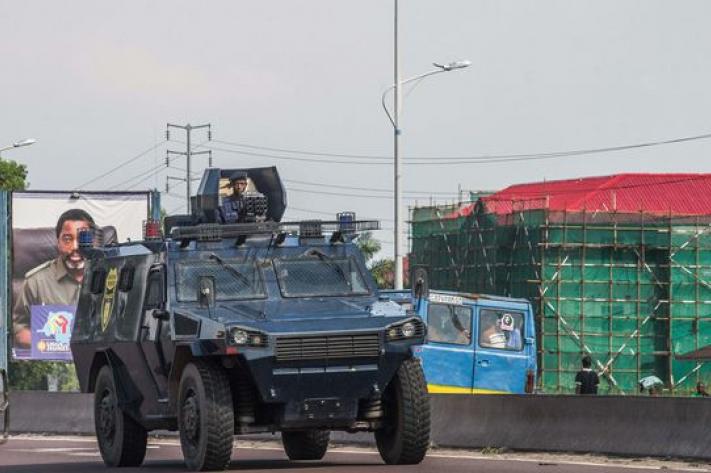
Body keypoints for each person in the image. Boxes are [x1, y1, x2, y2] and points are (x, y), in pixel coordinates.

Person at [13, 209, 95, 348]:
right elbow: (18, 329)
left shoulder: (110, 277)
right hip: (53, 358)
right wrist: (49, 345)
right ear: (58, 242)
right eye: (67, 239)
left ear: (92, 242)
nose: (75, 247)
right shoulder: (35, 282)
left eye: (82, 240)